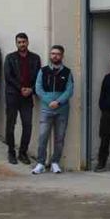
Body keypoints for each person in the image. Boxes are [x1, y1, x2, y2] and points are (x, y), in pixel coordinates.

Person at [33, 45, 74, 174]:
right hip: (46, 110)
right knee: (43, 137)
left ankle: (55, 162)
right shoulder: (43, 71)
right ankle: (40, 163)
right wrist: (49, 101)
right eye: (52, 53)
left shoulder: (67, 72)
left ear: (62, 56)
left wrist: (58, 102)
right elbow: (38, 88)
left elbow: (69, 90)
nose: (55, 56)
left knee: (60, 138)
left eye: (57, 54)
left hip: (62, 110)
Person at [3, 33, 42, 165]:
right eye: (19, 42)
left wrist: (31, 89)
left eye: (24, 42)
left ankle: (23, 153)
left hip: (27, 97)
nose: (22, 44)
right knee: (10, 125)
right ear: (16, 43)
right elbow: (8, 77)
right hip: (13, 96)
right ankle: (11, 152)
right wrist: (21, 88)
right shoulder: (10, 58)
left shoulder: (35, 58)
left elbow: (39, 77)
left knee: (27, 125)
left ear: (27, 42)